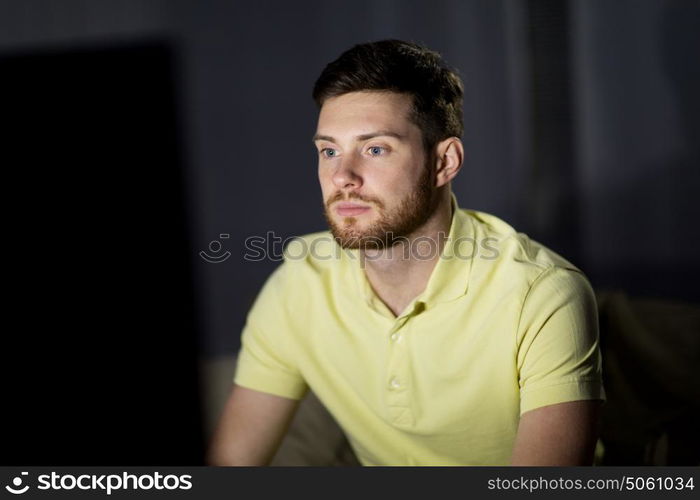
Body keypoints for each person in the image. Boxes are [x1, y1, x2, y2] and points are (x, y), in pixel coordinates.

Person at [208, 39, 605, 466]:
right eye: (329, 151)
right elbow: (232, 465)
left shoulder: (541, 293)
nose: (342, 177)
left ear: (444, 162)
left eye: (375, 149)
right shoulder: (299, 282)